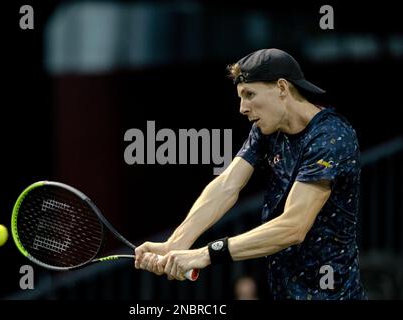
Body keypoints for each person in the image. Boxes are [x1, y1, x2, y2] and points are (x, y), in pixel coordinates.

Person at [134, 48, 366, 300]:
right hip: (283, 291)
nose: (242, 108)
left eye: (249, 94)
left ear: (281, 88)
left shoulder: (331, 137)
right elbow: (226, 185)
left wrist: (204, 254)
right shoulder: (266, 130)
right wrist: (176, 242)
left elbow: (293, 227)